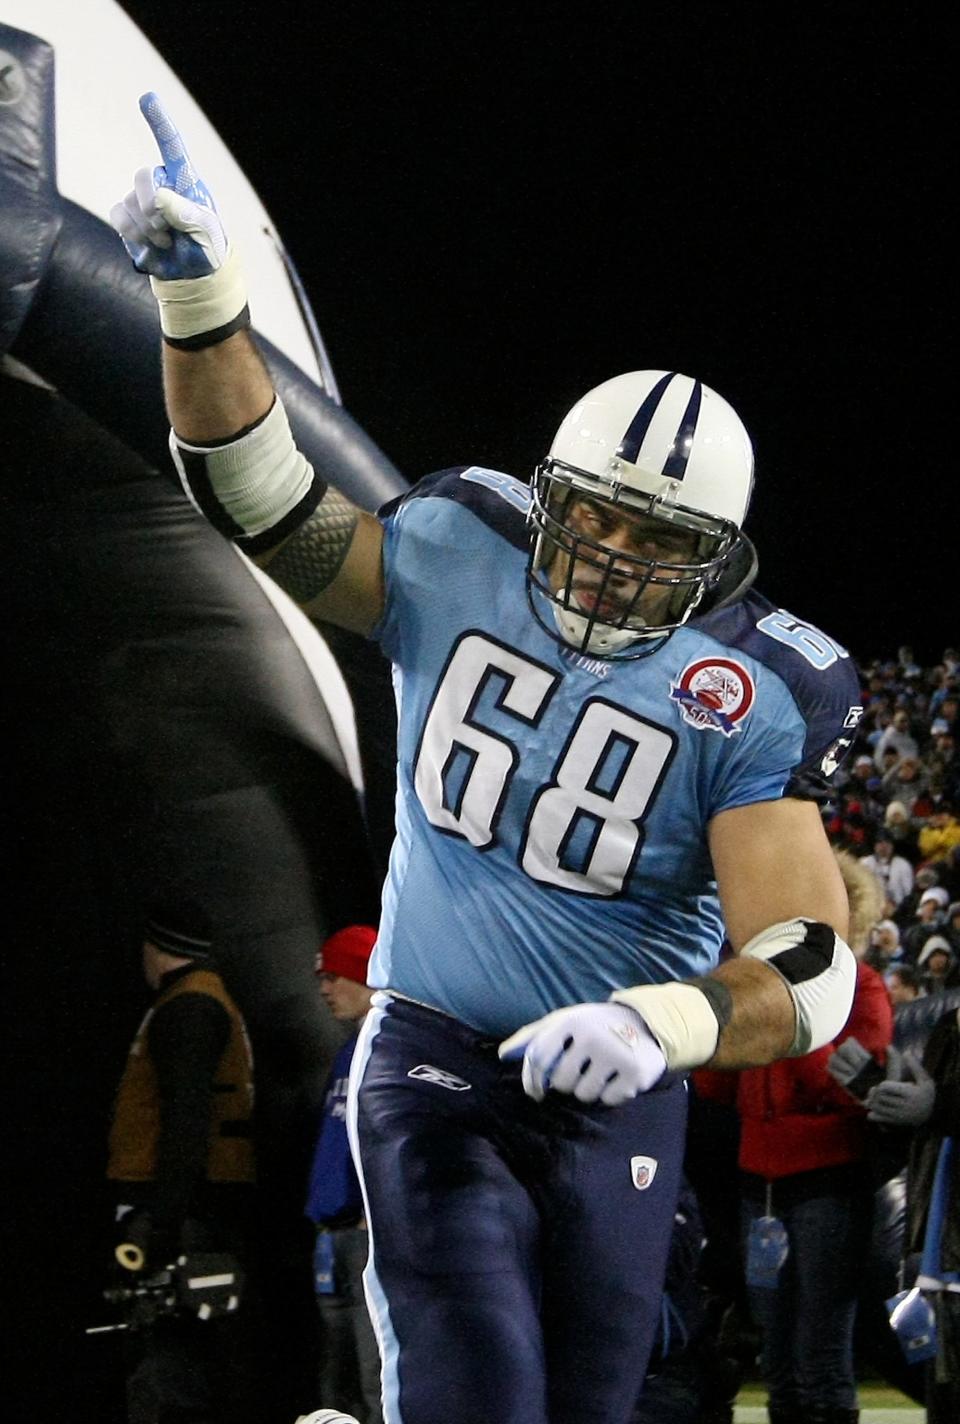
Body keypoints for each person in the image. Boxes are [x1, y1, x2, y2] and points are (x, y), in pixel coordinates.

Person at [109, 95, 861, 1424]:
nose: (622, 558)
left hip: (616, 1096)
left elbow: (809, 958)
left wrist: (662, 1019)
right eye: (600, 519)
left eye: (664, 543)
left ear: (715, 563)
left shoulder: (748, 694)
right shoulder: (461, 552)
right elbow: (259, 497)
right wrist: (204, 302)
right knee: (476, 1389)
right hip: (435, 1059)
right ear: (552, 495)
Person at [735, 850, 893, 1424]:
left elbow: (853, 1083)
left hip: (827, 1183)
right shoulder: (768, 985)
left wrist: (787, 1019)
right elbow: (719, 1088)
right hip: (761, 1184)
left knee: (820, 1351)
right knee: (777, 1352)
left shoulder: (865, 988)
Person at [105, 907, 261, 1423]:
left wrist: (162, 1221)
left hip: (185, 1211)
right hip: (203, 1205)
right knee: (191, 1350)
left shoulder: (188, 1006)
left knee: (169, 1359)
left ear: (157, 948)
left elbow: (186, 1119)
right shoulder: (207, 999)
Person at [864, 1006, 960, 1423]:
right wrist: (876, 1091)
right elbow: (924, 1128)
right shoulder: (950, 1022)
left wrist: (937, 1105)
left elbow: (937, 1107)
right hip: (940, 1246)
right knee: (945, 1394)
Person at [305, 926, 382, 1424]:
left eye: (335, 976)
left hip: (370, 1242)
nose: (324, 989)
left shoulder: (391, 1049)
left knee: (378, 1387)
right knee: (338, 1390)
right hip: (334, 1240)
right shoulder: (348, 1051)